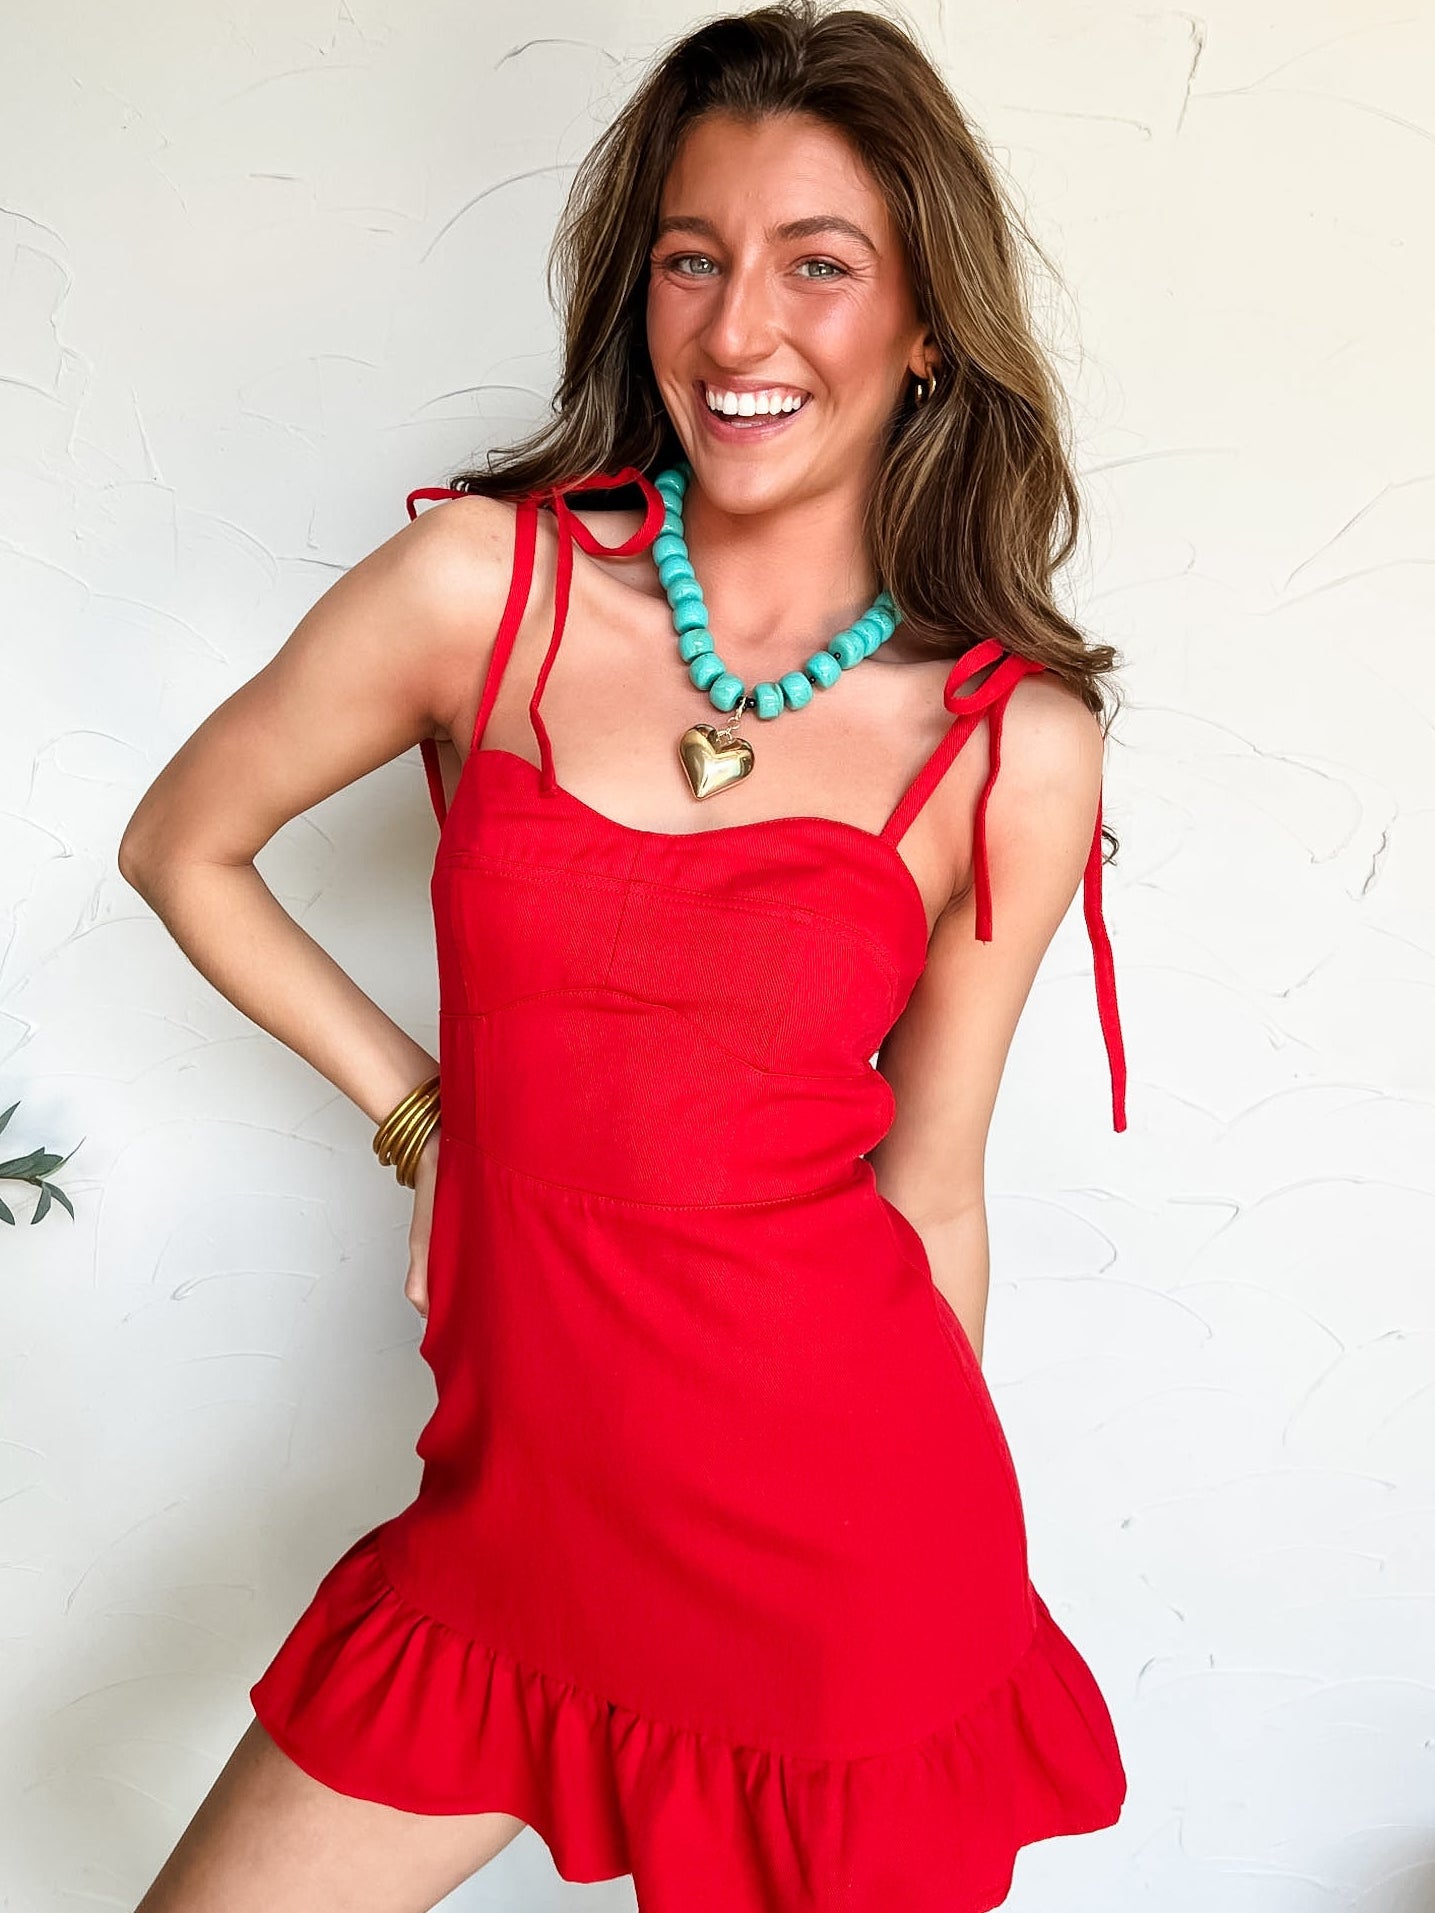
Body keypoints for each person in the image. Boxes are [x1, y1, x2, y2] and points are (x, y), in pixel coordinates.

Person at [119, 3, 1131, 1908]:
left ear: (925, 327)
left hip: (842, 1570)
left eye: (819, 267)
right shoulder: (475, 594)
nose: (741, 328)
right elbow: (185, 846)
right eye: (694, 258)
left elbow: (935, 1184)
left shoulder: (1012, 745)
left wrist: (935, 1616)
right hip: (514, 1542)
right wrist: (422, 1113)